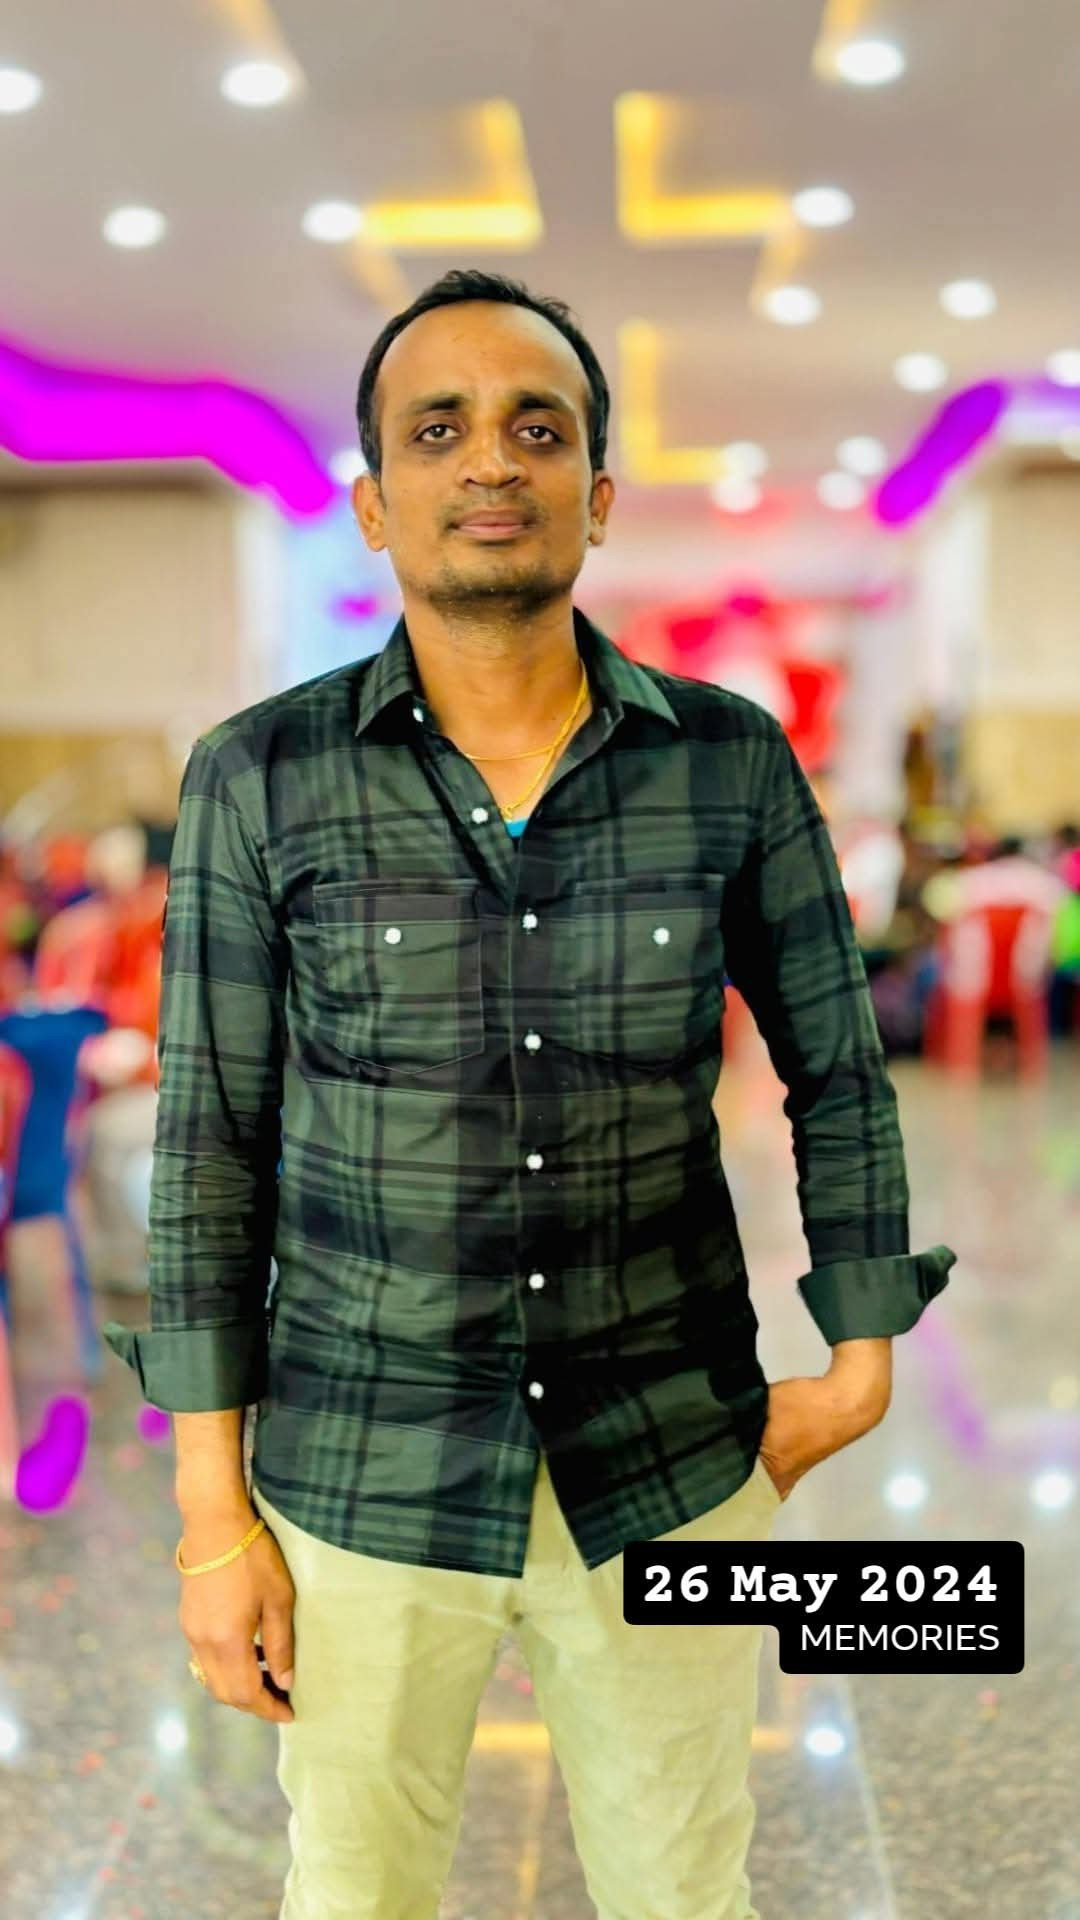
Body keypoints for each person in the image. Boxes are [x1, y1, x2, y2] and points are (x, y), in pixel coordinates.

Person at [103, 267, 956, 1920]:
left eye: (537, 428)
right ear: (374, 504)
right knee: (353, 1894)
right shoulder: (259, 776)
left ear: (598, 494)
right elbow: (209, 1146)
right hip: (361, 1465)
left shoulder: (728, 758)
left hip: (670, 1456)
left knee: (683, 1891)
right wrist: (213, 1515)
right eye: (439, 430)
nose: (491, 459)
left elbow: (840, 1069)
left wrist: (858, 1366)